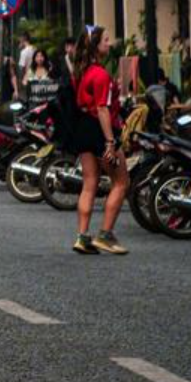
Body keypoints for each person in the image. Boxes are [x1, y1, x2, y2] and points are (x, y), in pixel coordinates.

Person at [69, 26, 130, 256]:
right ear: (95, 46)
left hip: (83, 128)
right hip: (100, 130)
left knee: (89, 183)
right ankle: (105, 235)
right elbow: (102, 109)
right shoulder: (101, 74)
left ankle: (82, 237)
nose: (109, 43)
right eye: (106, 40)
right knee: (121, 182)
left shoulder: (81, 72)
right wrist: (110, 143)